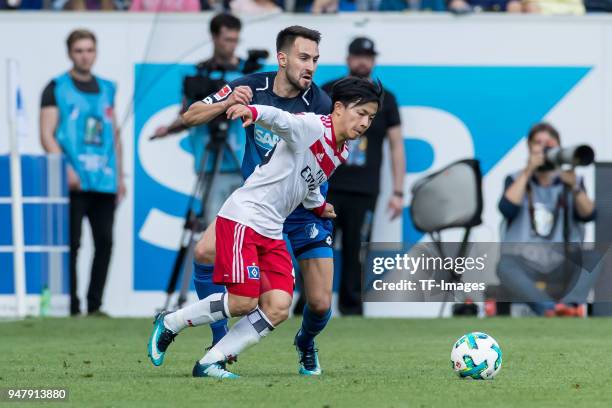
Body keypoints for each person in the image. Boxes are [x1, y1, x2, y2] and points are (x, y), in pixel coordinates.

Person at [148, 77, 383, 379]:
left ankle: (211, 362)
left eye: (371, 117)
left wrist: (317, 206)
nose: (365, 122)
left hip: (272, 229)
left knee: (278, 306)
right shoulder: (313, 126)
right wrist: (253, 113)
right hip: (244, 217)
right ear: (338, 108)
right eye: (360, 113)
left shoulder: (342, 150)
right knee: (243, 301)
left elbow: (311, 181)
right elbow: (282, 119)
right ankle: (170, 323)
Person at [178, 26, 336, 376]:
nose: (310, 66)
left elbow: (324, 161)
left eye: (315, 60)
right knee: (203, 252)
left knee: (321, 302)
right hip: (259, 207)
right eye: (303, 58)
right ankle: (218, 342)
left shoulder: (321, 103)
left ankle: (306, 342)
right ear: (282, 59)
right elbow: (189, 115)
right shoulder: (251, 86)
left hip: (302, 209)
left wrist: (318, 201)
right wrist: (226, 102)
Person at [152, 13, 248, 349]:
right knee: (212, 244)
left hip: (243, 168)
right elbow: (188, 114)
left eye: (235, 38)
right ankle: (217, 324)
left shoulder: (246, 73)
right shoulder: (198, 74)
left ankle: (245, 305)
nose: (231, 45)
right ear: (214, 36)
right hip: (210, 167)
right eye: (226, 38)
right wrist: (171, 129)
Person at [39, 29, 125, 316]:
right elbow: (47, 134)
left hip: (104, 179)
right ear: (70, 53)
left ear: (95, 52)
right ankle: (72, 306)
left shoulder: (108, 88)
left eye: (89, 50)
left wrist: (120, 177)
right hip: (73, 181)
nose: (84, 56)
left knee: (105, 243)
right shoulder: (56, 87)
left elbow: (114, 134)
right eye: (79, 50)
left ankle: (95, 304)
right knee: (71, 245)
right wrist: (63, 168)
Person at [321, 37, 405, 315]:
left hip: (365, 189)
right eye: (358, 55)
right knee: (317, 245)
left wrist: (398, 191)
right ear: (348, 59)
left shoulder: (386, 99)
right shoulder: (329, 91)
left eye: (367, 56)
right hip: (327, 184)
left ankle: (352, 306)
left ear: (374, 61)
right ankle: (310, 303)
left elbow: (396, 146)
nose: (362, 61)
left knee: (357, 250)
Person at [497, 122, 596, 317]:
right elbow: (506, 208)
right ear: (529, 148)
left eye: (550, 143)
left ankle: (569, 306)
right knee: (504, 266)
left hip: (562, 261)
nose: (545, 148)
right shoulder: (515, 178)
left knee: (596, 257)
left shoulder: (571, 181)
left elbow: (589, 215)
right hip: (524, 260)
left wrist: (574, 187)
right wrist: (528, 171)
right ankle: (549, 309)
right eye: (539, 143)